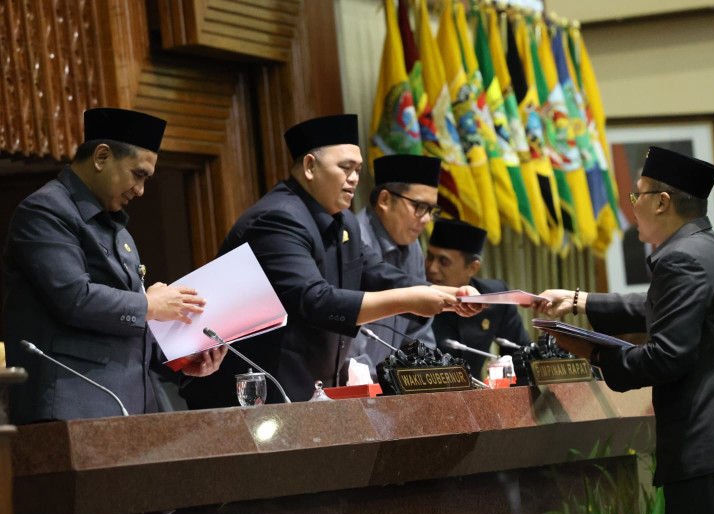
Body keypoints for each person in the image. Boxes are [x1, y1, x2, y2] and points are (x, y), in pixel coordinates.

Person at [532, 146, 714, 514]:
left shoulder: (680, 258)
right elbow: (661, 305)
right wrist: (580, 301)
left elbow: (667, 357)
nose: (632, 205)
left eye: (637, 194)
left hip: (706, 454)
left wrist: (594, 354)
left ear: (662, 202)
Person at [180, 115, 482, 406]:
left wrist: (448, 294)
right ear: (310, 166)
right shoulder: (277, 218)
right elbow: (315, 301)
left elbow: (374, 271)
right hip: (253, 393)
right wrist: (408, 300)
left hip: (308, 392)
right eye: (345, 168)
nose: (354, 180)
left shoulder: (345, 222)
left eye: (358, 170)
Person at [3, 108, 227, 424]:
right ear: (102, 157)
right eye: (138, 174)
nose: (141, 190)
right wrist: (149, 304)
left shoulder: (119, 231)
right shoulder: (44, 212)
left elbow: (125, 324)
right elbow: (75, 299)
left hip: (133, 406)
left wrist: (179, 361)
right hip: (75, 407)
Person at [347, 154, 440, 376]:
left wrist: (426, 377)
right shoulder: (352, 241)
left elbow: (419, 330)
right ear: (385, 200)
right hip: (355, 383)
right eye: (419, 206)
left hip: (392, 388)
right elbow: (348, 337)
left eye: (431, 210)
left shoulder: (413, 247)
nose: (426, 219)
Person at [426, 219, 530, 378]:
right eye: (430, 257)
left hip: (476, 398)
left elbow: (519, 351)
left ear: (472, 268)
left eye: (444, 261)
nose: (432, 268)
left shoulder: (494, 296)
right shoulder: (414, 295)